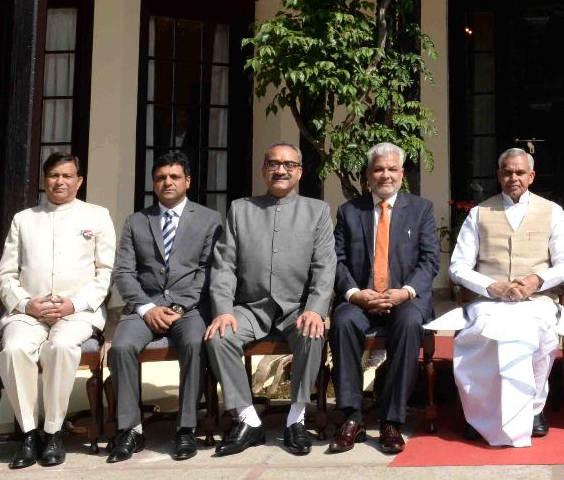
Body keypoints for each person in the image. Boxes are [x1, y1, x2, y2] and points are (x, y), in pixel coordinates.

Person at [427, 147, 564, 448]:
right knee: (480, 334)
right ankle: (479, 415)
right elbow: (458, 266)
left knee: (542, 332)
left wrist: (536, 281)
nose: (514, 178)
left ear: (531, 176)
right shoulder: (479, 213)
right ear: (499, 176)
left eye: (520, 172)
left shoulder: (553, 212)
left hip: (536, 300)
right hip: (490, 301)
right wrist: (491, 287)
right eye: (507, 172)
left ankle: (534, 410)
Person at [204, 142, 336, 456]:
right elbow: (224, 265)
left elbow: (325, 266)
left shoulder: (317, 211)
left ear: (300, 172)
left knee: (312, 332)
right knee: (219, 337)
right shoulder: (241, 209)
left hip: (297, 308)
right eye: (274, 164)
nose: (281, 170)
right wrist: (223, 310)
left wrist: (316, 309)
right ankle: (249, 420)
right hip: (251, 307)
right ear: (264, 170)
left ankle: (296, 419)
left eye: (289, 165)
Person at [0, 153, 115, 469]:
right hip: (29, 312)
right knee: (13, 349)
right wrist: (26, 304)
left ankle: (53, 432)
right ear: (44, 179)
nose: (60, 181)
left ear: (79, 181)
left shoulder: (97, 216)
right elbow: (5, 275)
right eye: (53, 175)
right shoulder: (24, 219)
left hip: (77, 312)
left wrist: (75, 304)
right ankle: (29, 433)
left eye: (67, 176)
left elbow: (106, 272)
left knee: (61, 347)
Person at [108, 150, 221, 462]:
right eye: (160, 178)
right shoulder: (136, 221)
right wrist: (146, 308)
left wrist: (180, 307)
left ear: (188, 181)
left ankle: (186, 428)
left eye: (174, 176)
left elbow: (207, 271)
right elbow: (124, 272)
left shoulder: (209, 219)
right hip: (145, 306)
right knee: (121, 348)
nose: (167, 182)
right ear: (153, 183)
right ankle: (131, 429)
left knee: (195, 344)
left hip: (190, 307)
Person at [328, 143, 439, 455]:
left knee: (410, 323)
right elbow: (337, 260)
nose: (385, 175)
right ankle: (352, 417)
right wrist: (355, 294)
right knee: (343, 321)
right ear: (368, 175)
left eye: (392, 169)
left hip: (405, 298)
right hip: (361, 298)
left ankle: (391, 420)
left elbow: (430, 260)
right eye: (378, 169)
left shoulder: (421, 209)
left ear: (402, 173)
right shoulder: (350, 211)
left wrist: (406, 292)